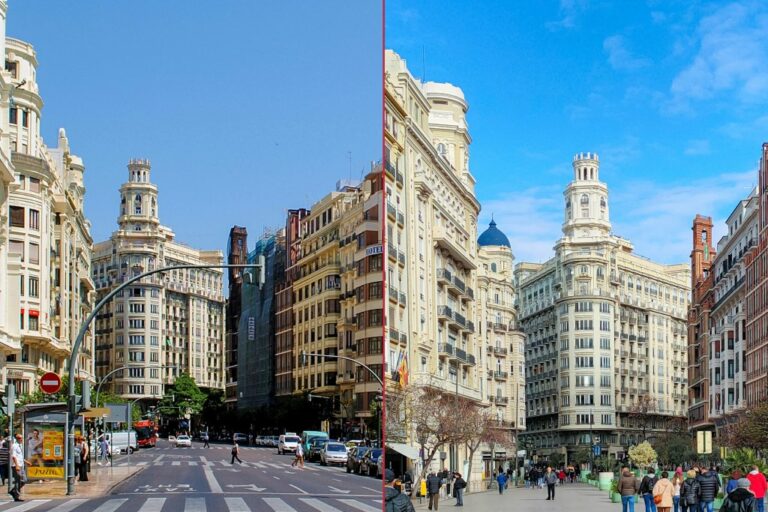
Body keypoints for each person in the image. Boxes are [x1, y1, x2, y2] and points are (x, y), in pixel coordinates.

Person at [9, 434, 26, 502]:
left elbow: (19, 457)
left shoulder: (20, 445)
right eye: (19, 438)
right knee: (19, 480)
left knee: (24, 480)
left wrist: (26, 462)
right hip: (17, 466)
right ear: (16, 438)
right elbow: (14, 456)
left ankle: (13, 491)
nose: (21, 439)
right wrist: (17, 465)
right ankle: (16, 495)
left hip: (21, 465)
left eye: (22, 438)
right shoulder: (14, 446)